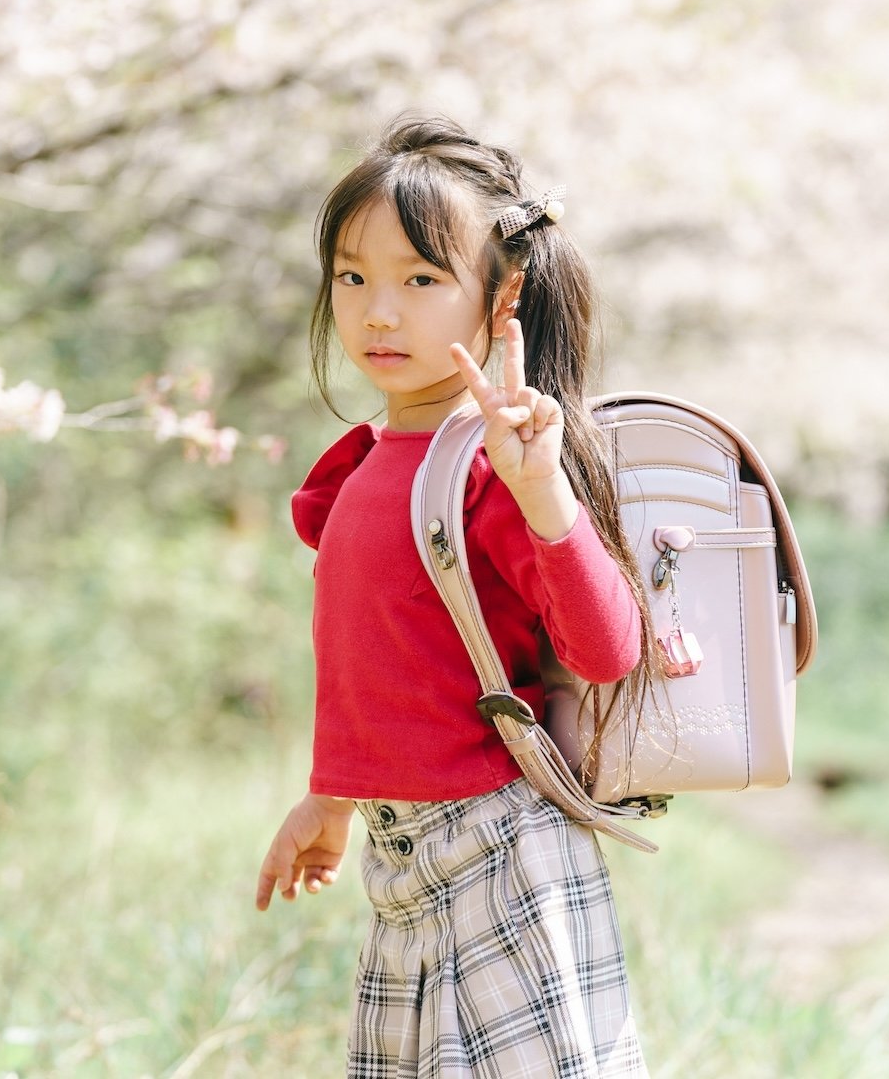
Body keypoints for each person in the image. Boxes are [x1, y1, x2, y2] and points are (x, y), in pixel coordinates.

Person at [254, 113, 660, 1078]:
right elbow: (394, 661)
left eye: (421, 281)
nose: (377, 313)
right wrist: (334, 798)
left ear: (503, 294)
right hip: (402, 868)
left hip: (503, 854)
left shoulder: (490, 467)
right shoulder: (363, 467)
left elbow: (608, 651)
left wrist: (543, 492)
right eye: (352, 277)